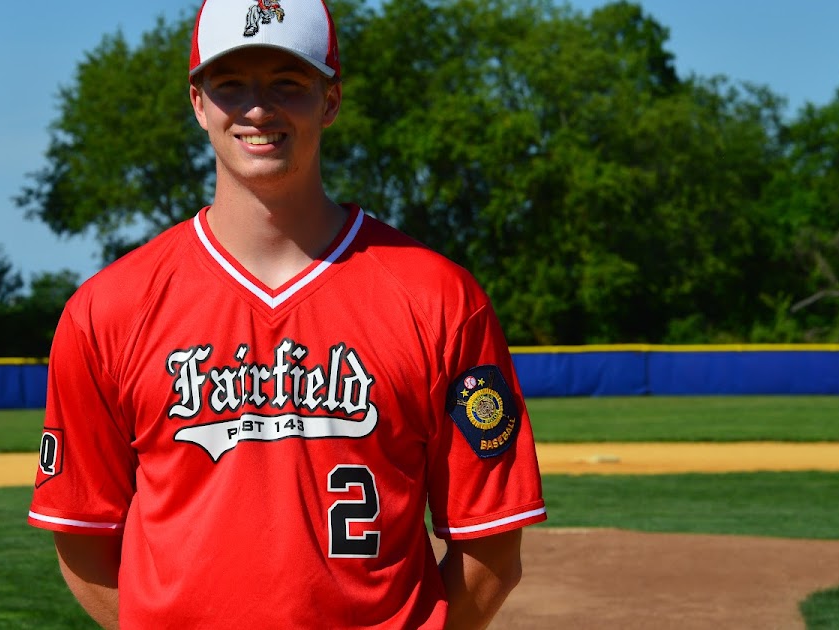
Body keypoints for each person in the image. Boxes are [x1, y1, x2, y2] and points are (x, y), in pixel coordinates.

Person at [27, 0, 546, 627]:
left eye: (288, 83)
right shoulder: (107, 310)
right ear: (197, 102)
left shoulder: (440, 300)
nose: (257, 108)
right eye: (230, 83)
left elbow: (491, 548)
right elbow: (82, 534)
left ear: (330, 101)